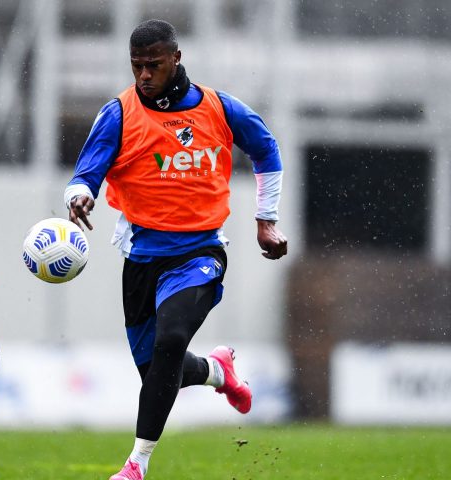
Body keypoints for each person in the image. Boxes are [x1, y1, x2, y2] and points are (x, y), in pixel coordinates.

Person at [65, 19, 288, 480]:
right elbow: (85, 173)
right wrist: (78, 196)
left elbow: (267, 150)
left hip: (200, 254)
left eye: (153, 65)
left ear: (176, 59)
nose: (144, 75)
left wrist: (265, 220)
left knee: (170, 341)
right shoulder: (120, 113)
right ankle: (217, 372)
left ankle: (136, 464)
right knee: (158, 371)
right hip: (142, 259)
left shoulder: (219, 108)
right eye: (136, 66)